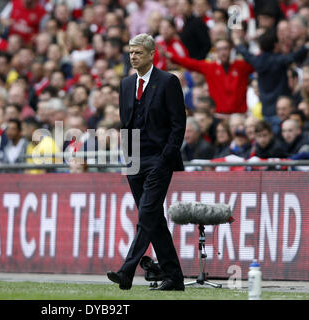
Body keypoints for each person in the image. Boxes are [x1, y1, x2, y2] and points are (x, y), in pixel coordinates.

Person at [107, 33, 185, 291]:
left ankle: (127, 270)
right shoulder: (126, 84)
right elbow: (126, 123)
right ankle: (174, 277)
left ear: (152, 54)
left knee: (147, 213)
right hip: (134, 161)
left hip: (158, 160)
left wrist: (166, 158)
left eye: (138, 52)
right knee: (154, 219)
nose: (133, 56)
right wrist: (126, 158)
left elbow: (178, 124)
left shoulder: (168, 82)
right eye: (130, 52)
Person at [166, 37, 254, 116]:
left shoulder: (242, 66)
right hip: (219, 115)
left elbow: (259, 62)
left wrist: (240, 45)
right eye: (219, 49)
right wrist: (170, 56)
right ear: (216, 51)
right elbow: (190, 63)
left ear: (231, 49)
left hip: (239, 115)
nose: (223, 52)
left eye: (225, 49)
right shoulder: (210, 67)